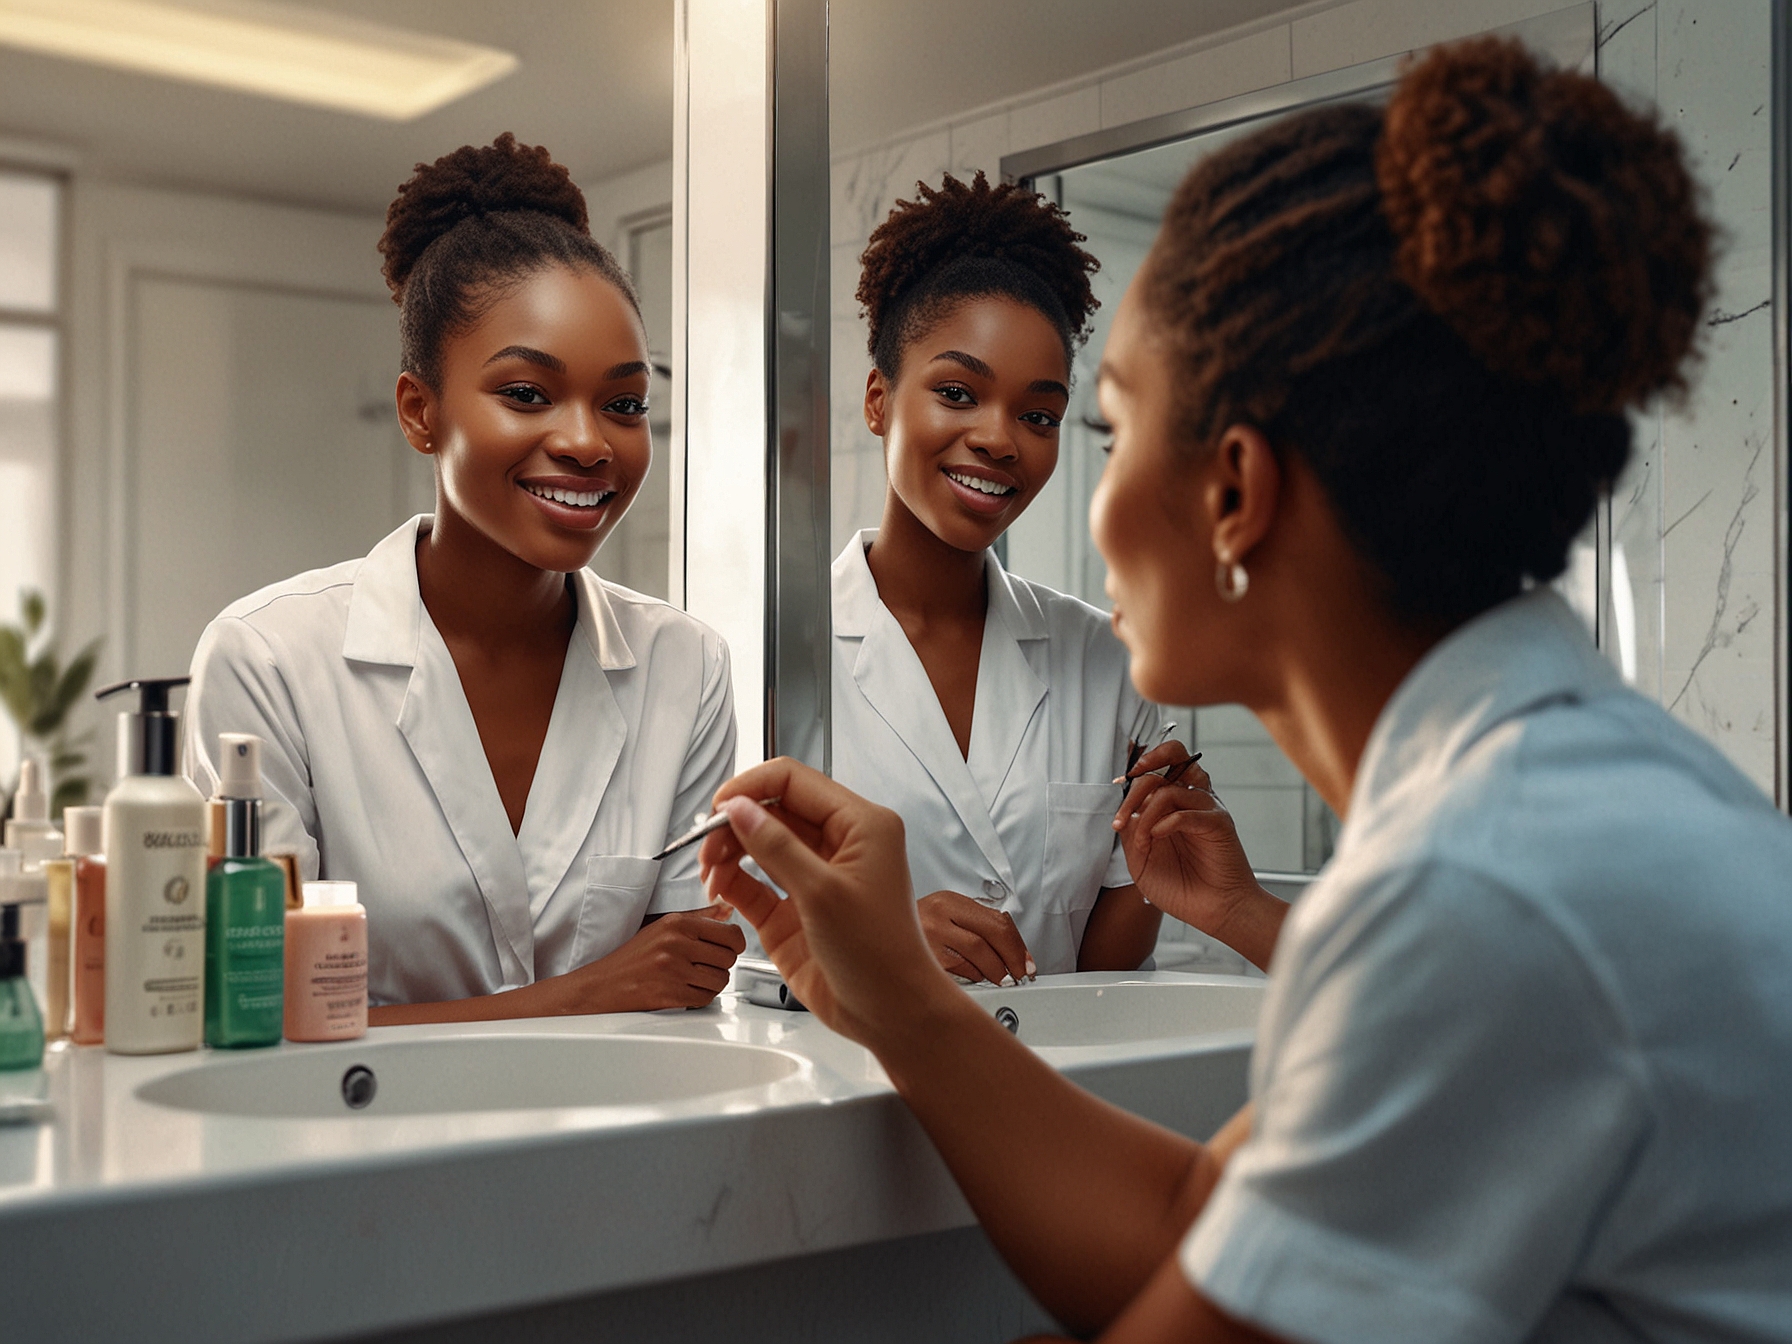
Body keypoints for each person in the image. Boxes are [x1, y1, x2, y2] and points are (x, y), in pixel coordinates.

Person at [699, 37, 1792, 1343]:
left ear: (1232, 492)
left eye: (1097, 424)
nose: (1069, 492)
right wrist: (904, 1003)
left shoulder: (1482, 892)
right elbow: (1192, 1231)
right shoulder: (1542, 805)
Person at [185, 135, 744, 1022]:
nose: (588, 441)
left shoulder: (688, 667)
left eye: (624, 403)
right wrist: (580, 995)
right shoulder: (269, 661)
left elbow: (682, 990)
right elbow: (256, 1020)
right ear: (420, 411)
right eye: (527, 394)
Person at [835, 171, 1259, 983]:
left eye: (1039, 415)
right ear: (879, 400)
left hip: (1056, 1094)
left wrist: (1148, 867)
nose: (1000, 440)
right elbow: (724, 952)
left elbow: (1101, 973)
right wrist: (876, 946)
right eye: (958, 393)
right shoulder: (777, 657)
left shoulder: (1105, 660)